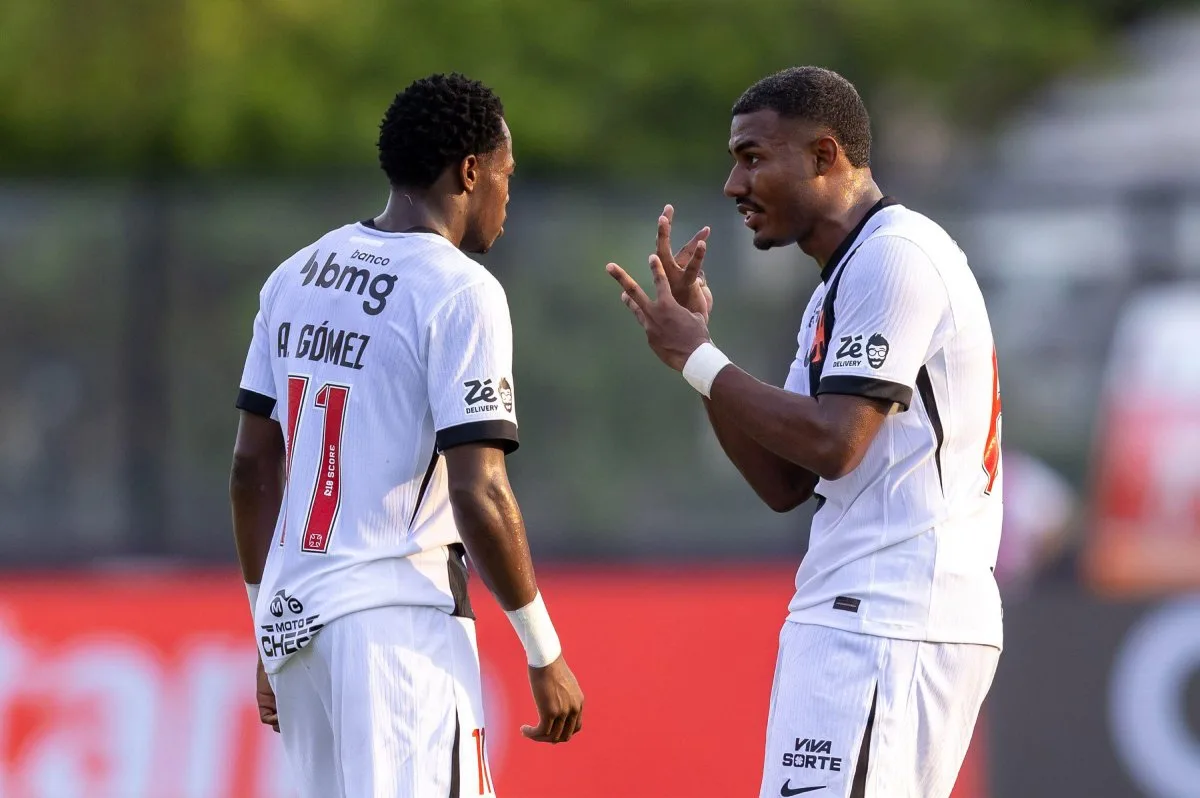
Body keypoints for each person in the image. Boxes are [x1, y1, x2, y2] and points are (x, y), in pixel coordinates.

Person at [606, 66, 1003, 798]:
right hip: (867, 612)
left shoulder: (895, 255)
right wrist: (698, 351)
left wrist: (698, 358)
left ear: (825, 156)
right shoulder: (840, 281)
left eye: (752, 157)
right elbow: (785, 480)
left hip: (890, 612)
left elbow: (833, 441)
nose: (732, 184)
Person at [229, 73, 584, 798]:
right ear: (471, 171)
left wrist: (267, 623)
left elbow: (250, 468)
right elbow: (479, 487)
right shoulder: (460, 290)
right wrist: (544, 651)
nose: (508, 199)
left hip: (300, 633)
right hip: (394, 633)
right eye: (508, 176)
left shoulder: (296, 274)